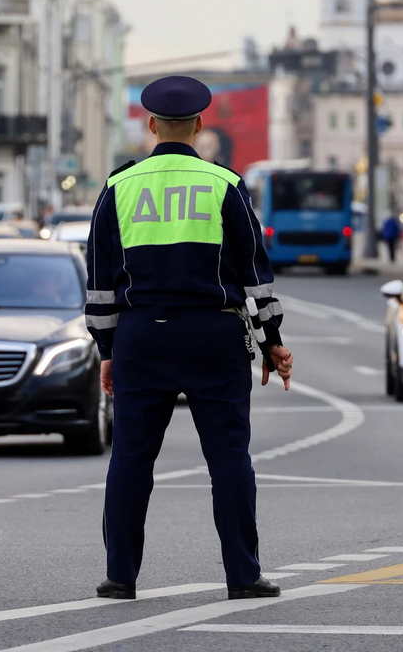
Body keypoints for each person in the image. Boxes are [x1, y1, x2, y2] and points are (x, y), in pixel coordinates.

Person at [86, 75, 292, 602]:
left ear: (151, 125)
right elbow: (254, 272)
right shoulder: (223, 184)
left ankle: (120, 577)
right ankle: (243, 576)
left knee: (131, 459)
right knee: (229, 459)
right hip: (213, 334)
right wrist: (273, 340)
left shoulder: (119, 187)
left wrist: (108, 351)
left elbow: (100, 280)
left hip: (141, 336)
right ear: (200, 126)